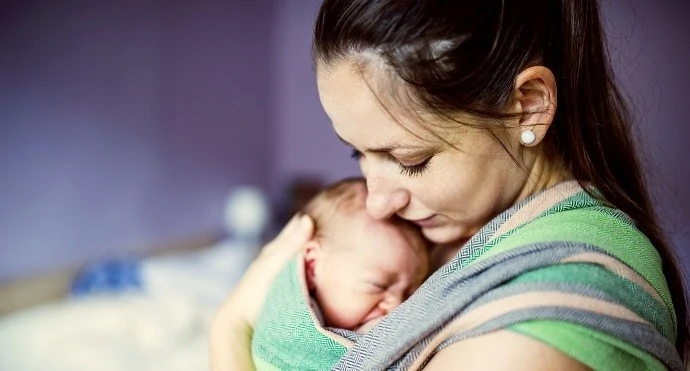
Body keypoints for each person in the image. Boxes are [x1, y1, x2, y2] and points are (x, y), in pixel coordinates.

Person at [210, 1, 688, 370]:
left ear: (528, 106)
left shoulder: (536, 329)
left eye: (410, 160)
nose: (377, 202)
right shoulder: (448, 240)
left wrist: (231, 329)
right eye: (358, 153)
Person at [251, 178, 429, 370]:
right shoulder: (285, 329)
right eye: (379, 285)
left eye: (410, 293)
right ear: (312, 266)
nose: (398, 306)